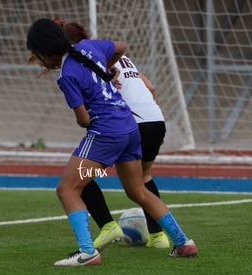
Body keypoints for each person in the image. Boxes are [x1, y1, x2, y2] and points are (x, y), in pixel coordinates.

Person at [26, 18, 197, 267]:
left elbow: (83, 120)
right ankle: (183, 243)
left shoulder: (66, 75)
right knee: (138, 190)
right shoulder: (91, 48)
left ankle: (88, 252)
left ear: (45, 53)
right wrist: (109, 70)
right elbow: (121, 46)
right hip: (129, 128)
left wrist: (91, 110)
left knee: (67, 189)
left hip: (107, 132)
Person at [57, 20, 170, 250]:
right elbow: (151, 88)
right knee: (144, 179)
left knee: (81, 178)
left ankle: (108, 226)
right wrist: (154, 123)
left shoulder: (85, 63)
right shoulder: (120, 58)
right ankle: (159, 237)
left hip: (126, 125)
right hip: (155, 120)